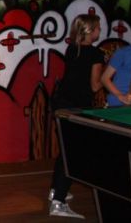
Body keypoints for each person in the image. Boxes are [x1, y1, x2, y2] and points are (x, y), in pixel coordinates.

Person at [48, 13, 103, 219]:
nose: (100, 31)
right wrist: (109, 77)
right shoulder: (96, 54)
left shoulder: (72, 49)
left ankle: (55, 191)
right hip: (76, 107)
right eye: (98, 28)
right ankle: (58, 202)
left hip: (61, 102)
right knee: (70, 153)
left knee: (65, 149)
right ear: (91, 31)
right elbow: (95, 86)